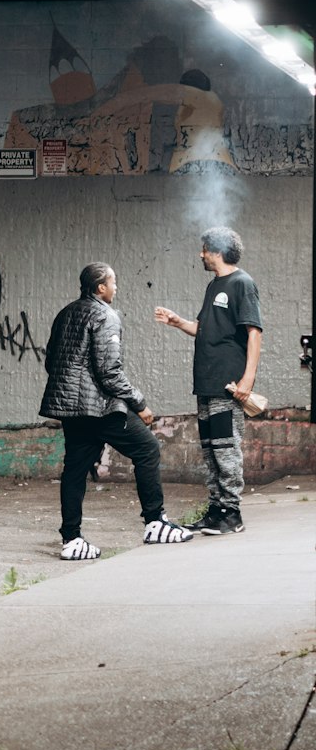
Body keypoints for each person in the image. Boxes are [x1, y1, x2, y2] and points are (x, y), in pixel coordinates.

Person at [41, 263, 193, 560]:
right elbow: (109, 372)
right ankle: (155, 523)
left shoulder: (66, 313)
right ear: (100, 288)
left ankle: (71, 540)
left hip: (71, 409)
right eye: (113, 283)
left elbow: (52, 362)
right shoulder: (105, 316)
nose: (116, 288)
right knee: (147, 449)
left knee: (74, 469)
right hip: (99, 408)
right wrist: (140, 403)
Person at [154, 227, 262, 535]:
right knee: (211, 450)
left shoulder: (242, 283)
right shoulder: (214, 286)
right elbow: (202, 327)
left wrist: (247, 380)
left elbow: (254, 333)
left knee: (227, 448)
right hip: (206, 382)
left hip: (228, 384)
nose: (201, 254)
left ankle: (232, 513)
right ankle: (216, 511)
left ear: (217, 250)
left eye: (204, 249)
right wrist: (177, 322)